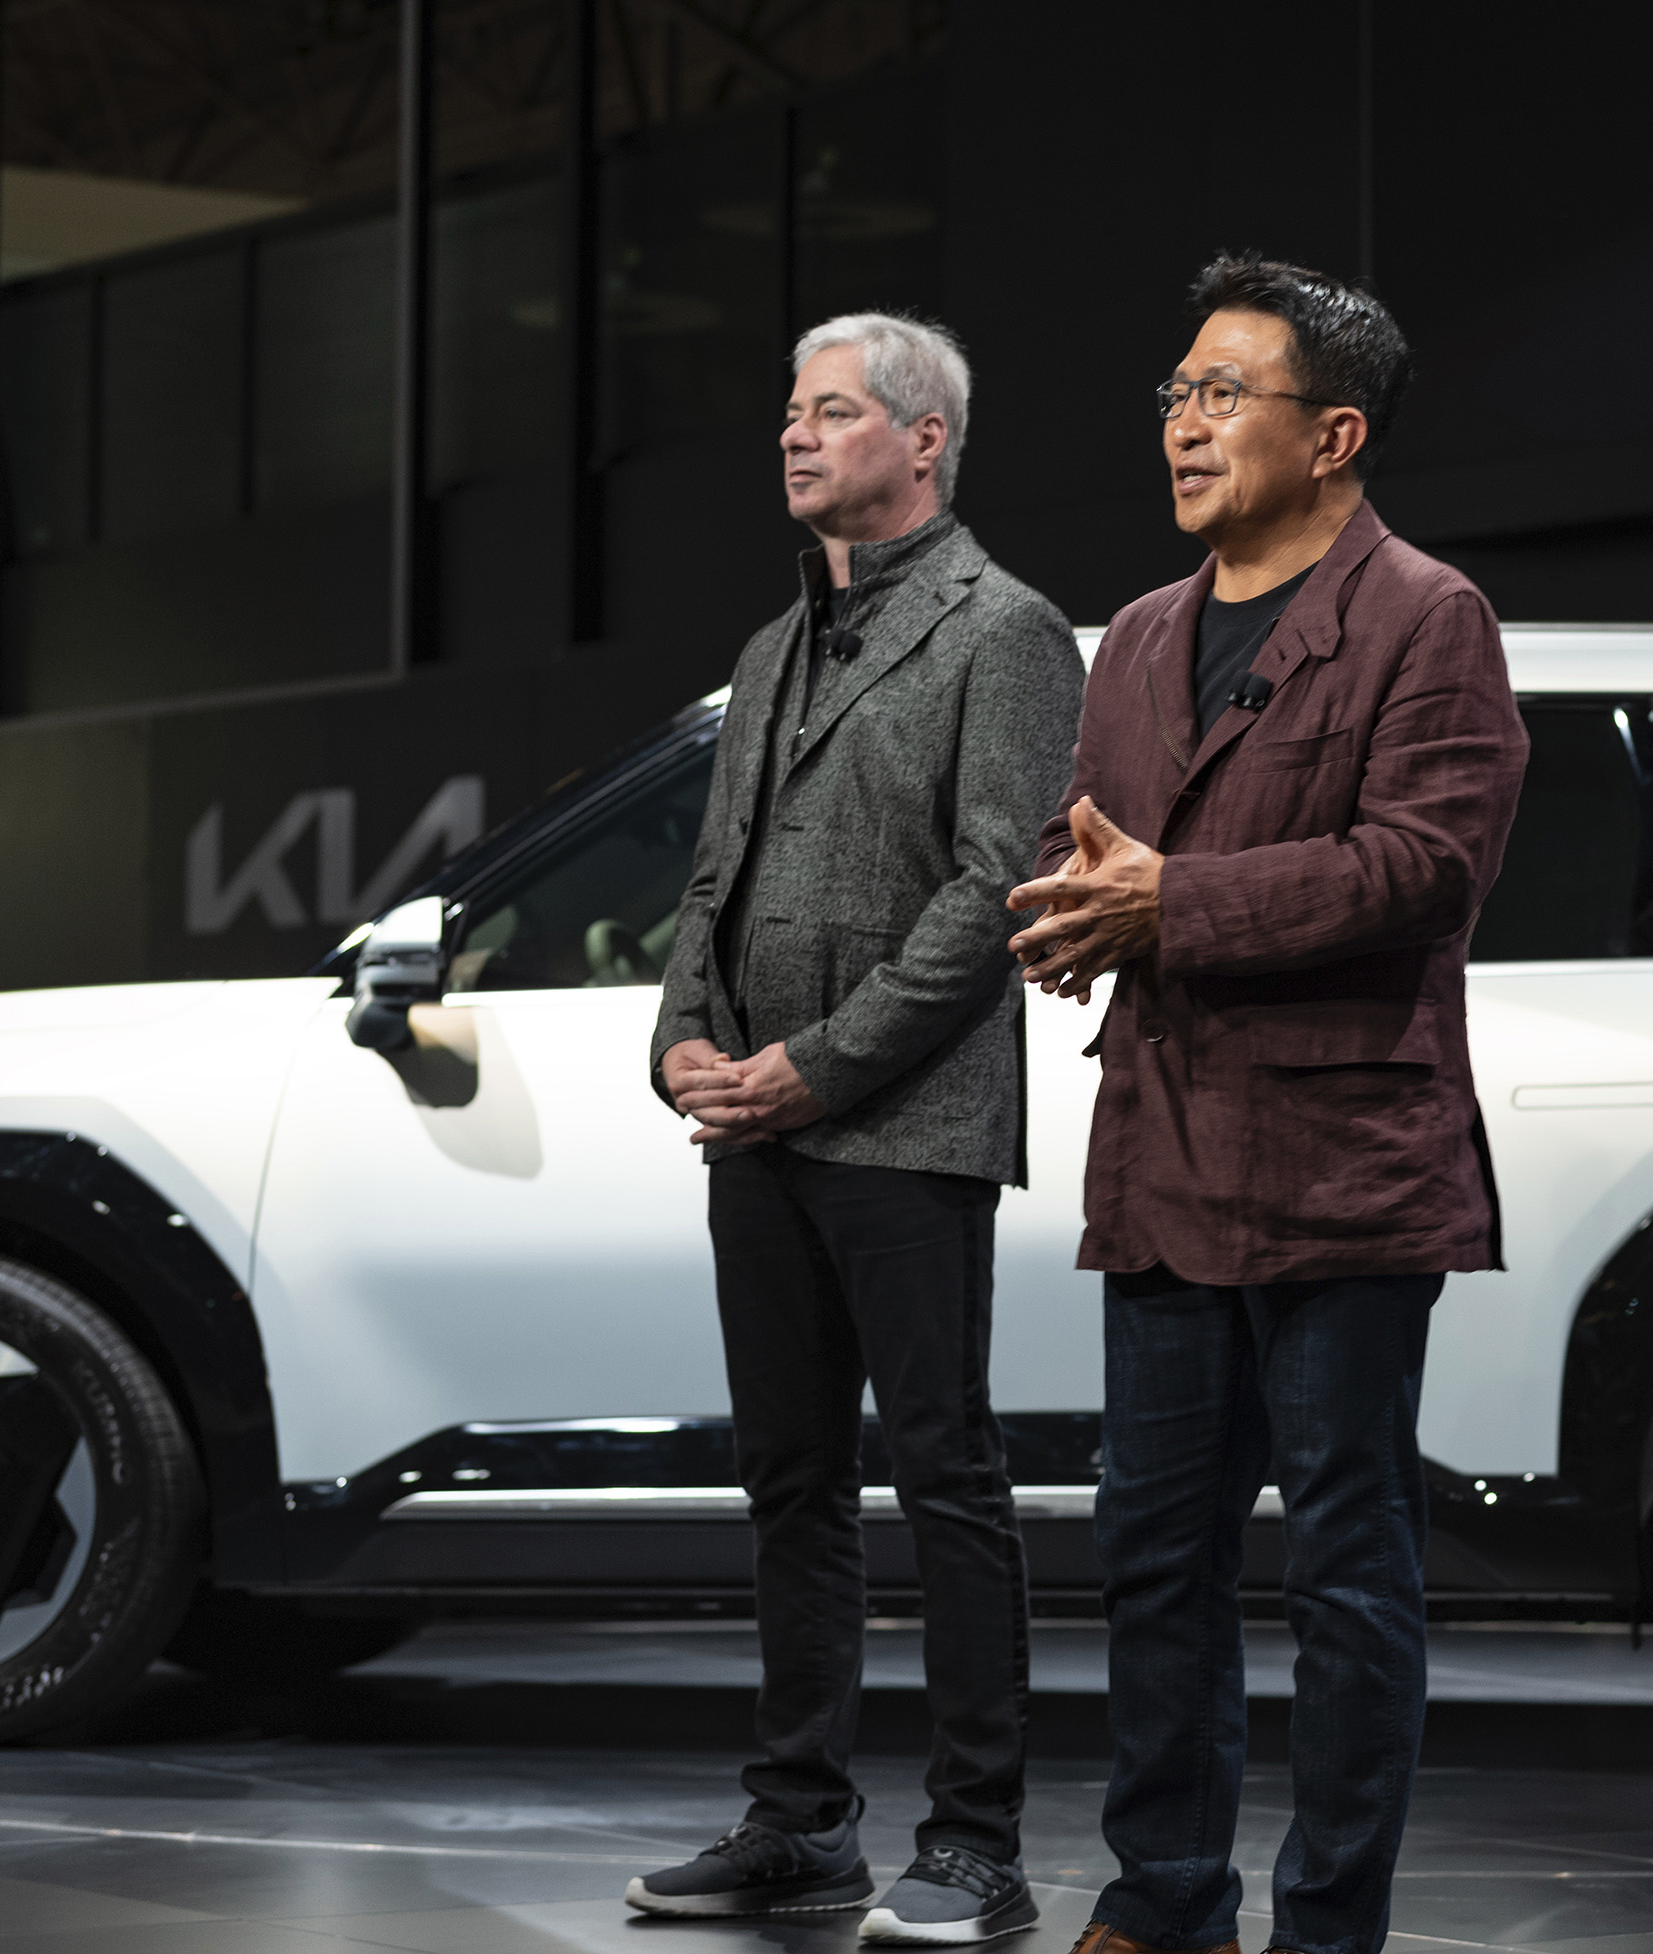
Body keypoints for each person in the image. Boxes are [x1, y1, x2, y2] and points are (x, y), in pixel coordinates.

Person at [1004, 256, 1526, 1954]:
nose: (1186, 422)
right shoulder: (1143, 632)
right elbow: (1104, 846)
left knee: (1348, 1580)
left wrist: (1171, 905)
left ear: (1337, 431)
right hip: (1161, 1153)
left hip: (1343, 1169)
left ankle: (1328, 1925)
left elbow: (1424, 869)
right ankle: (1166, 1904)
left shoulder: (1427, 616)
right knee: (1156, 1564)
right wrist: (1075, 913)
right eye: (1175, 394)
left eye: (1224, 393)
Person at [633, 311, 1084, 1943]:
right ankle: (798, 1818)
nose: (793, 436)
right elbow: (713, 879)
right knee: (791, 1483)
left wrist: (814, 1065)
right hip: (754, 1129)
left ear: (924, 440)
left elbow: (994, 895)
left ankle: (977, 1841)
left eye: (831, 413)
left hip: (902, 1123)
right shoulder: (770, 650)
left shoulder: (1006, 629)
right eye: (790, 413)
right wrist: (682, 1037)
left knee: (945, 1474)